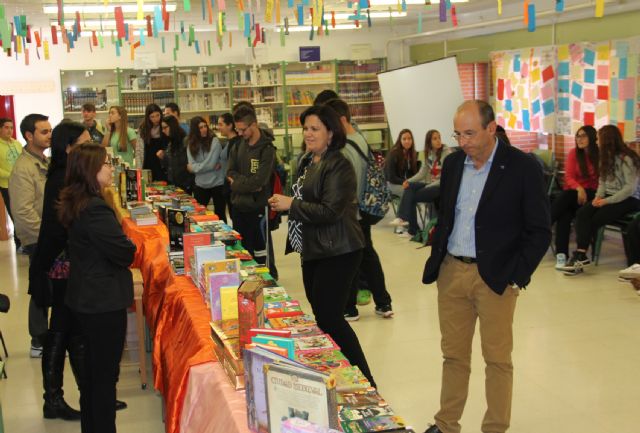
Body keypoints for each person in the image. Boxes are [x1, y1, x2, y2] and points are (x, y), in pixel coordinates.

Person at [422, 100, 550, 433]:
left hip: (496, 277)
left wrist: (517, 276)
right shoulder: (452, 165)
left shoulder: (521, 167)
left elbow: (539, 230)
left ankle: (495, 427)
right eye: (458, 134)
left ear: (491, 129)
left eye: (470, 133)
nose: (462, 141)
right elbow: (448, 215)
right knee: (453, 356)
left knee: (497, 359)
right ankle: (446, 424)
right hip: (452, 272)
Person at [268, 104, 375, 387]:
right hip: (313, 249)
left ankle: (365, 380)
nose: (308, 134)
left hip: (339, 249)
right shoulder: (308, 160)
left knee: (331, 317)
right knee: (323, 317)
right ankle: (339, 374)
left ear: (331, 132)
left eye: (315, 128)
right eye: (306, 128)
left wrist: (291, 204)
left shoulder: (338, 164)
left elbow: (330, 211)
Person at [58, 143, 136, 433]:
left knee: (92, 377)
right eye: (106, 164)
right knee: (103, 379)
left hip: (85, 297)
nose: (111, 168)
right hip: (102, 301)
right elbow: (124, 251)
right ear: (91, 170)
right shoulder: (96, 208)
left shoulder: (78, 200)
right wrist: (127, 243)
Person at [29, 121, 89, 421]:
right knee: (61, 332)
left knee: (72, 331)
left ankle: (88, 395)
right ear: (69, 148)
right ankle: (53, 399)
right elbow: (55, 231)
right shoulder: (60, 179)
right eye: (84, 144)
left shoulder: (70, 175)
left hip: (68, 264)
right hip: (60, 266)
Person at [324, 98, 394, 320]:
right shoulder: (360, 137)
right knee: (366, 256)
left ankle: (349, 307)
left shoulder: (345, 147)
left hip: (352, 212)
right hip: (365, 207)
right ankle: (383, 302)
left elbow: (346, 186)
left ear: (341, 120)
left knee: (351, 258)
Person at [560, 124, 640, 275]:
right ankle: (581, 254)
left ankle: (580, 255)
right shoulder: (605, 157)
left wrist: (606, 202)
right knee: (583, 213)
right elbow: (602, 182)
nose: (596, 142)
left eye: (599, 139)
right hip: (608, 196)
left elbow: (629, 189)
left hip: (629, 199)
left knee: (596, 219)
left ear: (608, 141)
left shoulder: (627, 158)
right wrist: (598, 197)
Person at [8, 113, 52, 357]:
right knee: (40, 288)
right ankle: (38, 340)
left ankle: (44, 337)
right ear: (29, 135)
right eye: (43, 132)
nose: (49, 135)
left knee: (46, 287)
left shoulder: (41, 161)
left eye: (49, 130)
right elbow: (23, 212)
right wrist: (45, 238)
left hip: (46, 236)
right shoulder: (24, 168)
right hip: (37, 238)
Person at [228, 105, 278, 279]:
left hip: (257, 208)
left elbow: (260, 182)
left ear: (254, 125)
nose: (240, 133)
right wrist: (244, 184)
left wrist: (237, 183)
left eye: (242, 129)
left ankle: (268, 281)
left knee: (261, 253)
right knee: (242, 252)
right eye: (237, 129)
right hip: (238, 207)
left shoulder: (267, 149)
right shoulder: (237, 145)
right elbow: (230, 172)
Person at [389, 129, 454, 239]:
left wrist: (429, 186)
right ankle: (404, 220)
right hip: (430, 184)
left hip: (440, 186)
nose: (438, 141)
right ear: (429, 142)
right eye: (435, 138)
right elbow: (422, 173)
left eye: (439, 138)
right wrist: (408, 181)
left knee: (412, 197)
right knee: (409, 187)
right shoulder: (428, 153)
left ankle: (412, 229)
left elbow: (445, 177)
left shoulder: (446, 152)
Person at [551, 126, 599, 269]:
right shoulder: (573, 153)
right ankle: (562, 255)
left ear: (591, 137)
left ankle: (542, 224)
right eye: (577, 136)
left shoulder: (599, 155)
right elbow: (569, 177)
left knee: (565, 197)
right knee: (564, 215)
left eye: (583, 136)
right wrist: (579, 188)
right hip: (575, 194)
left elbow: (599, 181)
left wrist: (582, 190)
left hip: (592, 195)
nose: (579, 139)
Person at [187, 116, 226, 222]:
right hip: (200, 185)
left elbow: (209, 164)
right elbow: (193, 164)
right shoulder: (190, 144)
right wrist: (206, 166)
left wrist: (195, 168)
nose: (204, 129)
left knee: (220, 216)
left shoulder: (215, 141)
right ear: (195, 130)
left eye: (205, 126)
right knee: (199, 216)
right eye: (200, 127)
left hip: (217, 183)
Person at [0, 117, 23, 249]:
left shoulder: (16, 143)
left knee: (22, 213)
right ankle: (19, 243)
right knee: (14, 213)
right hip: (7, 185)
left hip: (21, 183)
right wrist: (11, 176)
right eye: (6, 127)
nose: (10, 130)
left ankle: (24, 241)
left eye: (11, 127)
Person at [161, 115, 194, 194]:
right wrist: (163, 157)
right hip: (174, 183)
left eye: (165, 128)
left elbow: (185, 163)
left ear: (172, 127)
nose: (163, 131)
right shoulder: (170, 142)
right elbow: (169, 165)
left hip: (184, 184)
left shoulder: (185, 141)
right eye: (162, 128)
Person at [217, 113, 241, 215]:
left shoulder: (235, 143)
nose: (218, 127)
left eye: (221, 124)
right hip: (228, 185)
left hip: (232, 187)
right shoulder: (229, 142)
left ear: (230, 125)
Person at [384, 128, 419, 198]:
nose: (407, 141)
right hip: (391, 184)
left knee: (420, 189)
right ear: (400, 140)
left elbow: (413, 173)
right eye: (404, 139)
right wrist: (404, 182)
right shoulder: (393, 153)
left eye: (409, 139)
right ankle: (406, 208)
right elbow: (391, 177)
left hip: (403, 182)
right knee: (410, 193)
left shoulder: (412, 153)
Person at [138, 103, 168, 182]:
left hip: (163, 166)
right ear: (148, 117)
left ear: (161, 114)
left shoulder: (165, 126)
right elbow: (139, 151)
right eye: (152, 117)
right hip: (148, 165)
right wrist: (139, 170)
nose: (156, 119)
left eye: (157, 115)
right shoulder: (143, 129)